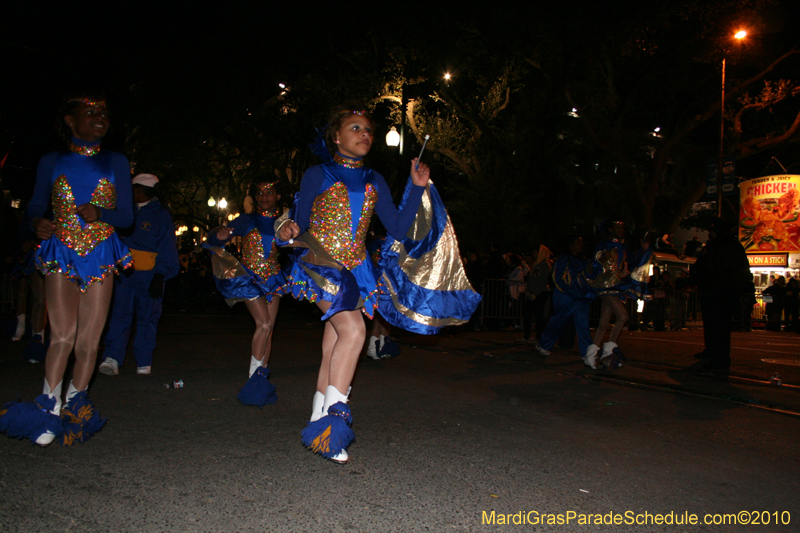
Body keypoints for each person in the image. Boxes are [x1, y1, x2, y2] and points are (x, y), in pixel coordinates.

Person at [277, 104, 431, 464]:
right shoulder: (318, 174)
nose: (364, 134)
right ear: (336, 136)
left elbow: (395, 227)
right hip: (320, 263)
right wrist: (285, 227)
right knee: (354, 332)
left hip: (357, 270)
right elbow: (298, 223)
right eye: (355, 128)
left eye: (368, 130)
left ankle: (317, 422)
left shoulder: (375, 179)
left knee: (334, 343)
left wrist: (417, 187)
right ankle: (332, 427)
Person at [0, 95, 133, 446]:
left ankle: (75, 406)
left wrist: (101, 213)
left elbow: (127, 216)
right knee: (62, 335)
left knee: (89, 342)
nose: (100, 117)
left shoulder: (116, 161)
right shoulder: (51, 160)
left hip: (101, 253)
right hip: (61, 251)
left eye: (104, 112)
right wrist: (36, 222)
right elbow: (36, 203)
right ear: (70, 121)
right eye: (90, 113)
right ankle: (48, 408)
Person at [206, 178, 289, 406]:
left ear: (278, 196)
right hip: (250, 279)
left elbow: (298, 244)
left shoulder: (284, 222)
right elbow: (215, 239)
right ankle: (253, 378)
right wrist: (219, 235)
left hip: (273, 279)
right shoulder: (246, 220)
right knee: (263, 324)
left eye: (270, 192)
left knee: (269, 329)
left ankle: (261, 377)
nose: (265, 197)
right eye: (260, 193)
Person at [99, 173, 179, 376]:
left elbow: (167, 247)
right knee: (120, 314)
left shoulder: (161, 215)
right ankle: (112, 357)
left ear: (144, 191)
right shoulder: (125, 212)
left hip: (150, 275)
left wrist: (160, 275)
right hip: (125, 274)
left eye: (135, 189)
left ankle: (144, 359)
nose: (132, 193)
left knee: (148, 317)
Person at [586, 219, 651, 369]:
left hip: (615, 286)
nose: (621, 230)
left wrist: (644, 250)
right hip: (605, 287)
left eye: (622, 227)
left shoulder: (623, 247)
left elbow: (634, 263)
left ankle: (591, 355)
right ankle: (609, 351)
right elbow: (597, 265)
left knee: (603, 323)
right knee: (623, 316)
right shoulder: (603, 246)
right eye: (617, 227)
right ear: (610, 230)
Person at [689, 217, 752, 371]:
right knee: (719, 325)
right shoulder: (734, 247)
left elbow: (704, 267)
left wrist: (695, 280)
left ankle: (719, 356)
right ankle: (715, 353)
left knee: (716, 325)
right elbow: (744, 271)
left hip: (715, 292)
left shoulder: (715, 247)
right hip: (725, 292)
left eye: (711, 230)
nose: (709, 233)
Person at [534, 235, 595, 362]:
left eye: (581, 242)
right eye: (578, 242)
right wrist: (570, 291)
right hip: (566, 296)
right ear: (571, 245)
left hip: (580, 297)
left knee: (583, 324)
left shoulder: (583, 261)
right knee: (557, 322)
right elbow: (557, 277)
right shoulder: (564, 259)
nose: (581, 245)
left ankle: (587, 352)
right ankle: (544, 344)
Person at [522, 245, 552, 342]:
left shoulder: (545, 265)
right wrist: (527, 290)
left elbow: (544, 281)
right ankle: (526, 335)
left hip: (540, 294)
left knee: (539, 316)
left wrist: (536, 293)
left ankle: (539, 337)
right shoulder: (536, 264)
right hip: (531, 293)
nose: (533, 254)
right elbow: (531, 279)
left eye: (536, 252)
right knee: (528, 315)